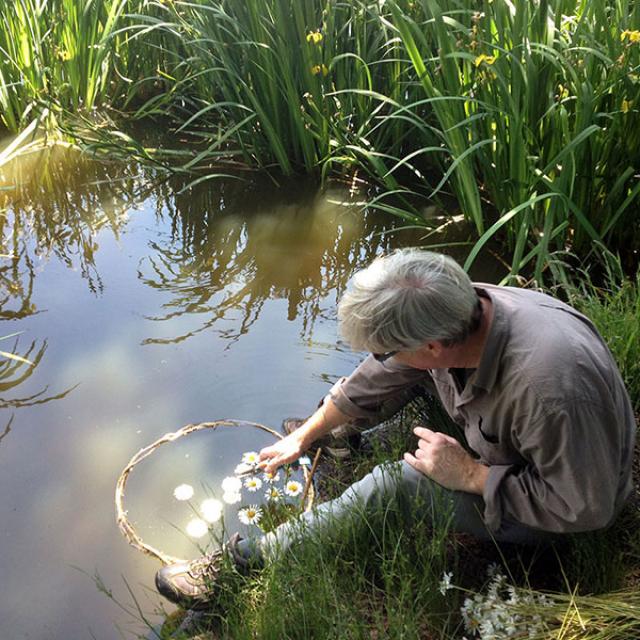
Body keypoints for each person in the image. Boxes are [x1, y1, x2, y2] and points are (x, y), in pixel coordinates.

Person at [155, 249, 636, 609]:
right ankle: (337, 432)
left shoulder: (549, 389)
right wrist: (309, 433)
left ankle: (241, 568)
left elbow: (585, 507)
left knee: (395, 485)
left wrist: (470, 475)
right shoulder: (456, 312)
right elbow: (383, 372)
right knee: (398, 377)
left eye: (385, 347)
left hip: (565, 505)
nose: (380, 356)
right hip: (526, 433)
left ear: (432, 345)